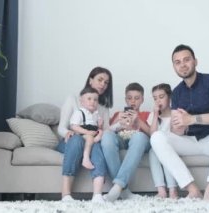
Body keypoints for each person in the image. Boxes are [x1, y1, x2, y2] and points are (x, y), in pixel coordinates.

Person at [150, 44, 209, 201]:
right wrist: (179, 126)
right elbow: (178, 130)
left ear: (195, 61)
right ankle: (193, 190)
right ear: (174, 67)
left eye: (186, 60)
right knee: (156, 137)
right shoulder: (176, 93)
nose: (182, 64)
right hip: (190, 141)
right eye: (177, 62)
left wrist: (192, 119)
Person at [56, 67, 113, 203]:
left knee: (96, 146)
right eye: (100, 80)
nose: (103, 84)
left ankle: (97, 195)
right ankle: (66, 195)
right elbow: (61, 128)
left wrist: (100, 133)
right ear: (90, 80)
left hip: (91, 141)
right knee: (76, 140)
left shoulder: (103, 107)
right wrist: (69, 132)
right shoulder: (74, 99)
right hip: (71, 141)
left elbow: (105, 130)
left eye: (106, 82)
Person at [101, 82, 151, 202]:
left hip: (139, 141)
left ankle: (118, 185)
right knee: (107, 136)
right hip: (122, 138)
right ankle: (123, 190)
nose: (133, 101)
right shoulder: (119, 114)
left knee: (138, 136)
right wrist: (118, 122)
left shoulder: (147, 114)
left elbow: (152, 134)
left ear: (142, 99)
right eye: (129, 98)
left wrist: (138, 121)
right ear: (125, 100)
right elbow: (107, 132)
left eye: (136, 98)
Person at [147, 83, 178, 199]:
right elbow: (152, 135)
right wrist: (155, 115)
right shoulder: (152, 116)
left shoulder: (176, 113)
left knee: (164, 150)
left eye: (161, 97)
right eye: (155, 98)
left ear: (169, 97)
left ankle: (172, 189)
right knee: (153, 150)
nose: (158, 101)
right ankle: (161, 190)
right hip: (158, 148)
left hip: (174, 145)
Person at [70, 87, 103, 170]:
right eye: (89, 99)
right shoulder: (79, 112)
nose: (92, 101)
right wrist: (87, 132)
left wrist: (100, 125)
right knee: (89, 137)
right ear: (82, 102)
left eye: (95, 100)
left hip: (93, 134)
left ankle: (94, 142)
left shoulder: (96, 114)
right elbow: (74, 126)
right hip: (82, 135)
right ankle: (85, 158)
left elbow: (96, 129)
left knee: (102, 133)